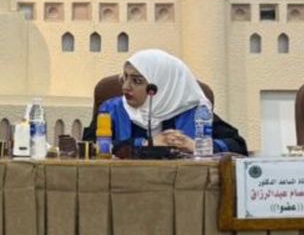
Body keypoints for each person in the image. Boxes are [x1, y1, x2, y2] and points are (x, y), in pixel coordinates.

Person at [92, 49, 248, 156]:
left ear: (165, 86)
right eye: (125, 77)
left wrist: (194, 145)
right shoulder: (111, 109)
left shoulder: (192, 111)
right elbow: (90, 146)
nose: (125, 87)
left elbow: (238, 146)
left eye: (137, 81)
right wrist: (146, 144)